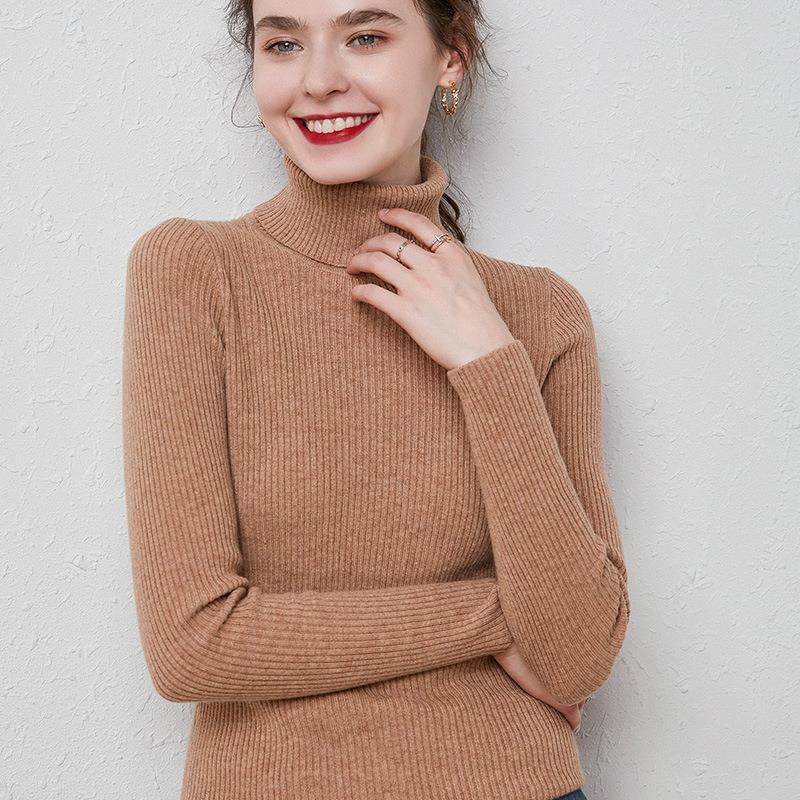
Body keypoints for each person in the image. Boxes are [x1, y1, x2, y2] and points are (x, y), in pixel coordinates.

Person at [121, 1, 630, 798]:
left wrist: (488, 361)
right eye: (283, 43)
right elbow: (193, 645)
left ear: (450, 58)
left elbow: (576, 657)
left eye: (365, 36)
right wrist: (497, 618)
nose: (319, 80)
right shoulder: (194, 271)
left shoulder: (539, 313)